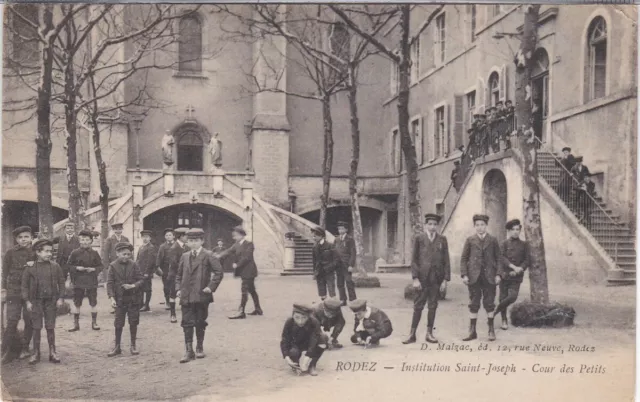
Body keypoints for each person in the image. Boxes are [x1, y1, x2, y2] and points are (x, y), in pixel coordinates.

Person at [175, 228, 224, 363]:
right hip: (186, 295)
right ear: (187, 242)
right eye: (190, 241)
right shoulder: (184, 256)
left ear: (202, 241)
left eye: (196, 241)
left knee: (200, 321)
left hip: (201, 295)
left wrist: (210, 287)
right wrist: (178, 288)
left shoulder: (208, 255)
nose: (193, 243)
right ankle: (188, 350)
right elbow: (178, 275)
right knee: (186, 322)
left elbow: (219, 273)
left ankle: (199, 347)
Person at [404, 213, 450, 344]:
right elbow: (414, 260)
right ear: (425, 225)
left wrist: (445, 280)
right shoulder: (419, 238)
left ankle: (429, 333)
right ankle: (412, 334)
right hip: (422, 279)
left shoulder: (442, 239)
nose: (432, 227)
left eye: (435, 224)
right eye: (430, 224)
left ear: (438, 226)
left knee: (433, 306)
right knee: (418, 306)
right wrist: (415, 278)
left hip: (436, 279)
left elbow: (446, 261)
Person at [21, 239, 65, 364]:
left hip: (50, 301)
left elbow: (61, 283)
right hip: (36, 302)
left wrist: (60, 298)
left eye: (51, 251)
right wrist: (27, 301)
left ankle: (52, 352)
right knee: (36, 328)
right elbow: (24, 286)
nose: (49, 254)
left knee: (50, 327)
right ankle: (36, 353)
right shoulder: (30, 268)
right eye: (46, 251)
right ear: (38, 252)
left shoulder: (55, 266)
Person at [460, 214, 501, 342]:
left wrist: (499, 274)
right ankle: (472, 331)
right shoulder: (470, 240)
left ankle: (491, 330)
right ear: (474, 226)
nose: (480, 228)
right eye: (477, 225)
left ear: (486, 226)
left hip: (489, 277)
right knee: (474, 303)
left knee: (489, 303)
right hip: (474, 276)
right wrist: (464, 274)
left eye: (482, 225)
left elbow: (499, 258)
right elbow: (464, 259)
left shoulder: (493, 240)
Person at [1, 226, 36, 363]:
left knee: (29, 320)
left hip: (31, 292)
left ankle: (25, 348)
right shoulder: (10, 253)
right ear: (16, 239)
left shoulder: (35, 252)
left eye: (26, 236)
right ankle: (8, 350)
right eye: (20, 237)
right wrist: (3, 289)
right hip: (13, 291)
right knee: (12, 320)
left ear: (31, 237)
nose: (23, 240)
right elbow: (4, 273)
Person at [107, 242, 145, 357]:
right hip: (119, 300)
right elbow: (110, 283)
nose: (126, 257)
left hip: (133, 299)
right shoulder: (113, 266)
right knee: (118, 323)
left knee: (133, 322)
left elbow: (141, 280)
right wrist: (112, 298)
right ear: (117, 253)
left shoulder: (134, 265)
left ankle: (133, 345)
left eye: (128, 254)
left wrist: (133, 286)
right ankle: (117, 346)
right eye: (123, 254)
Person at [216, 226, 262, 319]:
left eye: (235, 236)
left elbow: (247, 257)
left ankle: (241, 311)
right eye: (233, 236)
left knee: (244, 290)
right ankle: (258, 309)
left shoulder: (249, 244)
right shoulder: (236, 244)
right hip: (244, 271)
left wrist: (237, 264)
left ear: (242, 235)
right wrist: (218, 256)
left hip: (249, 271)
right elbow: (228, 251)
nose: (234, 237)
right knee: (252, 290)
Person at [494, 219, 530, 330]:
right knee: (502, 297)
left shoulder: (524, 245)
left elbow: (527, 260)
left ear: (520, 231)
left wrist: (520, 269)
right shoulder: (504, 244)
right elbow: (501, 258)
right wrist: (512, 267)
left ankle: (495, 311)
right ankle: (504, 320)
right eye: (513, 230)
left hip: (516, 276)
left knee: (512, 297)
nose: (515, 232)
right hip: (505, 274)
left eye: (517, 229)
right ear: (509, 231)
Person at [67, 230, 103, 332]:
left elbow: (101, 266)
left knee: (93, 302)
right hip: (78, 281)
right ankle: (75, 324)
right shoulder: (74, 253)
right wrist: (77, 268)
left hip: (91, 281)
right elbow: (68, 265)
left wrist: (94, 269)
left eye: (87, 240)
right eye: (82, 240)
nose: (85, 242)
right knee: (77, 303)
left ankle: (94, 322)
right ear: (79, 241)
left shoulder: (95, 253)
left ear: (91, 241)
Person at [280, 303, 327, 376]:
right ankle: (295, 365)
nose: (300, 321)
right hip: (295, 344)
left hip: (309, 344)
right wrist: (287, 359)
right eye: (297, 317)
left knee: (323, 338)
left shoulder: (314, 322)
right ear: (293, 316)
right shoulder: (289, 322)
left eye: (304, 318)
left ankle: (312, 365)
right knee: (293, 352)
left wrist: (306, 361)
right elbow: (284, 340)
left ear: (308, 317)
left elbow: (313, 341)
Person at [104, 223, 129, 314]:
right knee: (113, 285)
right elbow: (106, 253)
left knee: (123, 283)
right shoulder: (109, 240)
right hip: (113, 265)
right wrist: (107, 266)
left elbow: (128, 252)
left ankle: (123, 304)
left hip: (124, 264)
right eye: (116, 229)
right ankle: (114, 305)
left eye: (120, 229)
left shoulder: (125, 239)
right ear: (113, 230)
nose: (118, 231)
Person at [167, 227, 189, 323]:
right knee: (173, 295)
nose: (187, 238)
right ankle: (173, 314)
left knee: (185, 294)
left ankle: (186, 315)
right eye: (186, 236)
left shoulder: (187, 247)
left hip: (185, 275)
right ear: (181, 236)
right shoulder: (173, 248)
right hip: (175, 275)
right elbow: (174, 263)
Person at [311, 226, 339, 300]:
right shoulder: (314, 247)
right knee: (322, 293)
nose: (314, 238)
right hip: (319, 273)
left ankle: (333, 307)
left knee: (332, 292)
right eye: (313, 236)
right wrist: (315, 272)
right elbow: (314, 261)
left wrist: (330, 268)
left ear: (321, 236)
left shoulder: (330, 245)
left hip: (329, 272)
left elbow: (336, 260)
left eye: (315, 236)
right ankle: (324, 307)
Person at [334, 221, 357, 305]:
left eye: (342, 228)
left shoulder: (350, 239)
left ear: (346, 229)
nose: (340, 230)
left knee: (349, 281)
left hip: (346, 265)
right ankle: (343, 300)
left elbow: (353, 253)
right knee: (340, 283)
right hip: (338, 265)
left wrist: (351, 265)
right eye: (339, 228)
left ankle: (353, 299)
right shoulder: (336, 239)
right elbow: (334, 251)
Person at [136, 230, 158, 312]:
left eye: (147, 237)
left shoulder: (151, 247)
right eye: (143, 237)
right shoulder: (141, 247)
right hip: (140, 271)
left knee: (147, 288)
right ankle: (141, 304)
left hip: (146, 272)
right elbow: (137, 259)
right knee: (140, 288)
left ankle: (146, 305)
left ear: (150, 238)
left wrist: (147, 272)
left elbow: (150, 261)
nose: (145, 239)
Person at [155, 228, 175, 308]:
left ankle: (173, 299)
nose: (168, 237)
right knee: (166, 286)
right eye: (166, 235)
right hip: (165, 269)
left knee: (175, 285)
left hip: (175, 269)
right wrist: (158, 267)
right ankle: (167, 301)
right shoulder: (162, 246)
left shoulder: (177, 245)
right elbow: (159, 258)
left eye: (170, 235)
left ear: (173, 236)